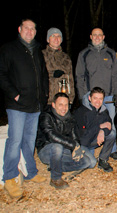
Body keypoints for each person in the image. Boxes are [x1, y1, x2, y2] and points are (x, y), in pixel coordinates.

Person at [0, 19, 48, 198]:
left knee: (29, 140)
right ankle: (10, 178)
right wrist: (14, 94)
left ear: (35, 32)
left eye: (32, 29)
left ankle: (31, 172)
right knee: (15, 141)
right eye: (26, 28)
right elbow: (2, 74)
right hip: (17, 105)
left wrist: (43, 97)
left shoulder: (37, 51)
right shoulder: (9, 49)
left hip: (34, 105)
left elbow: (43, 75)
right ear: (19, 29)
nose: (29, 31)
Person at [75, 27, 117, 160]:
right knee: (91, 124)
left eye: (99, 35)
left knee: (110, 123)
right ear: (90, 36)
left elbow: (116, 75)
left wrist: (116, 94)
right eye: (94, 35)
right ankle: (89, 149)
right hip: (91, 97)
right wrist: (84, 96)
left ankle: (111, 150)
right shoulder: (84, 54)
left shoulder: (111, 53)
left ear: (103, 37)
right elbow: (79, 76)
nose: (97, 37)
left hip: (108, 97)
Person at [36, 93, 93, 189]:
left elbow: (75, 137)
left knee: (88, 162)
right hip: (47, 150)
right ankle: (55, 178)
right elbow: (51, 136)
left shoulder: (70, 118)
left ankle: (54, 166)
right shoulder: (46, 116)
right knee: (57, 147)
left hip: (65, 149)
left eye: (66, 105)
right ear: (53, 105)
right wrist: (73, 145)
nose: (64, 108)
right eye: (60, 104)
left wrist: (76, 149)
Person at [74, 87, 116, 172]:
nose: (98, 102)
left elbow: (108, 124)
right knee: (92, 163)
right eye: (95, 98)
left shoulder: (103, 110)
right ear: (89, 98)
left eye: (100, 99)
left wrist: (102, 131)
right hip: (81, 144)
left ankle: (103, 160)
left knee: (112, 133)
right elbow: (83, 139)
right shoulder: (81, 112)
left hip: (94, 139)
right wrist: (99, 127)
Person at [42, 27, 75, 105]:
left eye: (58, 36)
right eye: (53, 36)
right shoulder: (41, 55)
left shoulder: (66, 57)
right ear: (48, 39)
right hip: (47, 100)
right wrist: (51, 74)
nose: (56, 39)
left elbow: (70, 78)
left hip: (63, 100)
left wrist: (71, 98)